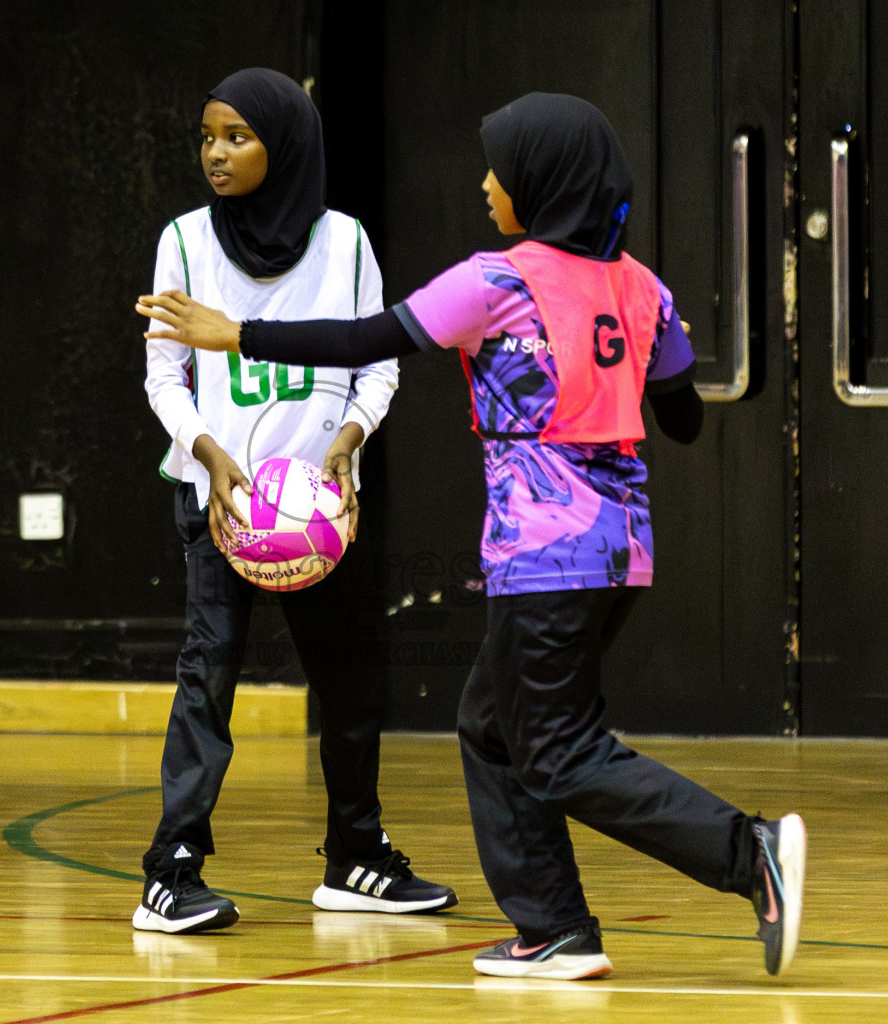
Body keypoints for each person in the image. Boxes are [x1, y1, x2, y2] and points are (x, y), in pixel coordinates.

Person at [136, 92, 807, 977]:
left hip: (545, 552)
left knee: (559, 748)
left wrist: (238, 334)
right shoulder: (641, 286)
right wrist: (641, 349)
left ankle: (745, 853)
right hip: (621, 552)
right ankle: (554, 928)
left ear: (539, 182)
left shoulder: (497, 281)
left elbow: (370, 337)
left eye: (500, 168)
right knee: (492, 727)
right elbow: (681, 420)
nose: (487, 183)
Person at [136, 67, 456, 936]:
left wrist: (350, 440)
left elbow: (378, 360)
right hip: (221, 503)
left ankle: (355, 856)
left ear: (285, 144)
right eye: (207, 136)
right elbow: (164, 376)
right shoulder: (185, 242)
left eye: (236, 136)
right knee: (210, 678)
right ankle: (171, 873)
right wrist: (207, 457)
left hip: (315, 505)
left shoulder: (345, 243)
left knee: (352, 683)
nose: (216, 153)